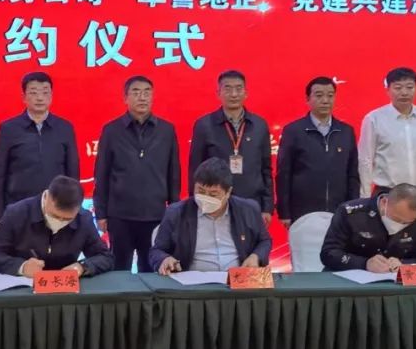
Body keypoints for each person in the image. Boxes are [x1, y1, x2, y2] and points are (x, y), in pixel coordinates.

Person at [357, 67, 416, 253]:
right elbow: (365, 161)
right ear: (388, 90)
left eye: (409, 87)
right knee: (386, 251)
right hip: (388, 197)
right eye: (398, 87)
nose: (404, 92)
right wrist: (365, 201)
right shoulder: (374, 119)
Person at [93, 75, 180, 273]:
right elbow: (102, 173)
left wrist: (174, 211)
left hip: (155, 214)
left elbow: (173, 174)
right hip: (120, 215)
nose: (142, 97)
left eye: (147, 92)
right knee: (119, 270)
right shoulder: (112, 130)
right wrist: (101, 213)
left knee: (151, 269)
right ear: (125, 98)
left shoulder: (166, 130)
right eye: (136, 92)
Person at [150, 158, 272, 275]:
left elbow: (264, 241)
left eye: (213, 194)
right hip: (192, 282)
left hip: (237, 281)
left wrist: (256, 257)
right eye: (201, 191)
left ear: (228, 192)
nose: (206, 198)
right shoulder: (176, 213)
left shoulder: (248, 210)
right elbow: (157, 251)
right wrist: (165, 259)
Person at [0, 71, 78, 223]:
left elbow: (72, 173)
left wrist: (72, 209)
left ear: (51, 96)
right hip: (18, 208)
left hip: (56, 208)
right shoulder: (9, 128)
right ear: (24, 97)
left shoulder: (64, 128)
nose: (40, 98)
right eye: (33, 92)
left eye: (45, 92)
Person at [189, 70, 273, 227]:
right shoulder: (204, 125)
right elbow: (195, 169)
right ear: (218, 93)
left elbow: (266, 169)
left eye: (238, 89)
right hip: (214, 203)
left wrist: (267, 207)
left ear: (246, 93)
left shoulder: (259, 125)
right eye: (227, 89)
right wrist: (194, 204)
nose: (234, 94)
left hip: (251, 202)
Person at [0, 175, 113, 277]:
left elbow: (105, 257)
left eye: (67, 219)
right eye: (55, 216)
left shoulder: (83, 219)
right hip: (23, 287)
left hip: (63, 289)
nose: (60, 221)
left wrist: (82, 267)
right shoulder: (16, 213)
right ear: (47, 197)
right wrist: (21, 267)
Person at [276, 76, 360, 228]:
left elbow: (352, 174)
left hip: (339, 210)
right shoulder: (293, 131)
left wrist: (352, 208)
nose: (325, 101)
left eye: (330, 95)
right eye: (319, 95)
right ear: (307, 99)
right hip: (302, 211)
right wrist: (284, 212)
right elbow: (284, 174)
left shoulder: (346, 132)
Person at [320, 184, 416, 272]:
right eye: (397, 219)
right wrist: (365, 263)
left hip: (392, 284)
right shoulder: (351, 213)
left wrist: (403, 264)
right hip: (349, 279)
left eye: (406, 223)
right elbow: (329, 253)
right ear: (384, 202)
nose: (400, 224)